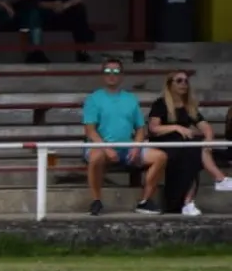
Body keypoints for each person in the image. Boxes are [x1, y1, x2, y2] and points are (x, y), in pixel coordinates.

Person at [82, 58, 162, 215]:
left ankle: (145, 201)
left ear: (122, 75)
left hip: (127, 147)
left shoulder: (130, 99)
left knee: (160, 157)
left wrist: (136, 147)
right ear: (102, 75)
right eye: (108, 71)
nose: (112, 75)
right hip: (100, 146)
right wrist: (106, 148)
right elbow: (90, 131)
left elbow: (140, 128)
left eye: (116, 71)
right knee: (96, 157)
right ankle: (96, 200)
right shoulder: (93, 99)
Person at [147, 70, 215, 215]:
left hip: (183, 145)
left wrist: (208, 141)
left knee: (194, 151)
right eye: (179, 81)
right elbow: (154, 128)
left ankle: (188, 201)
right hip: (164, 143)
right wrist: (177, 127)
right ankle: (217, 179)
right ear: (170, 84)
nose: (183, 84)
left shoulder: (188, 106)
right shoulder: (160, 104)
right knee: (192, 151)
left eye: (186, 81)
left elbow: (205, 127)